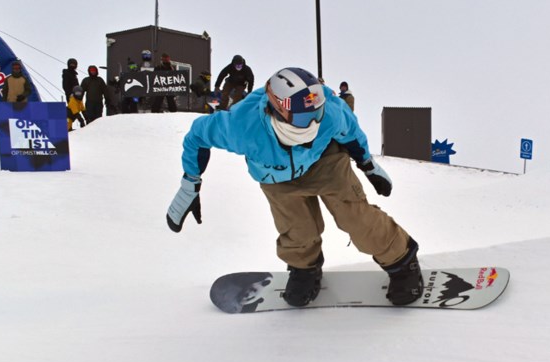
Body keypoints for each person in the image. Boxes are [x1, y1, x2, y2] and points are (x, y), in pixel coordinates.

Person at [166, 66, 423, 307]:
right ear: (278, 109)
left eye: (316, 112)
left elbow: (351, 132)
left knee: (353, 216)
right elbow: (197, 136)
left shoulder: (330, 112)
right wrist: (190, 183)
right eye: (303, 117)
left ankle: (402, 260)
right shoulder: (241, 126)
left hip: (324, 160)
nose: (312, 122)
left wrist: (367, 164)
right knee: (296, 228)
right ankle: (305, 268)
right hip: (274, 173)